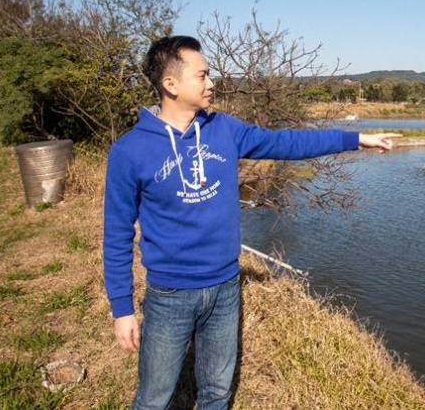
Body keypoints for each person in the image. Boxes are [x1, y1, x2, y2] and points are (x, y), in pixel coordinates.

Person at [102, 35, 400, 409]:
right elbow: (116, 234)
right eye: (202, 75)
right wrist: (122, 309)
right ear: (171, 84)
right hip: (170, 294)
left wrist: (356, 139)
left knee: (217, 391)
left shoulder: (224, 130)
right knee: (154, 398)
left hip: (225, 286)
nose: (212, 83)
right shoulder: (129, 151)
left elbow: (287, 143)